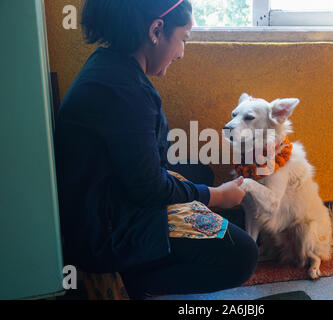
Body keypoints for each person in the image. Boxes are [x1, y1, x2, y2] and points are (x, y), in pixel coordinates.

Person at [54, 0, 258, 299]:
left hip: (105, 195)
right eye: (183, 39)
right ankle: (133, 279)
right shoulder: (126, 93)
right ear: (156, 29)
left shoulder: (110, 65)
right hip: (105, 229)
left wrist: (200, 191)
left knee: (200, 171)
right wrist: (218, 197)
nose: (181, 52)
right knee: (243, 256)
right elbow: (149, 189)